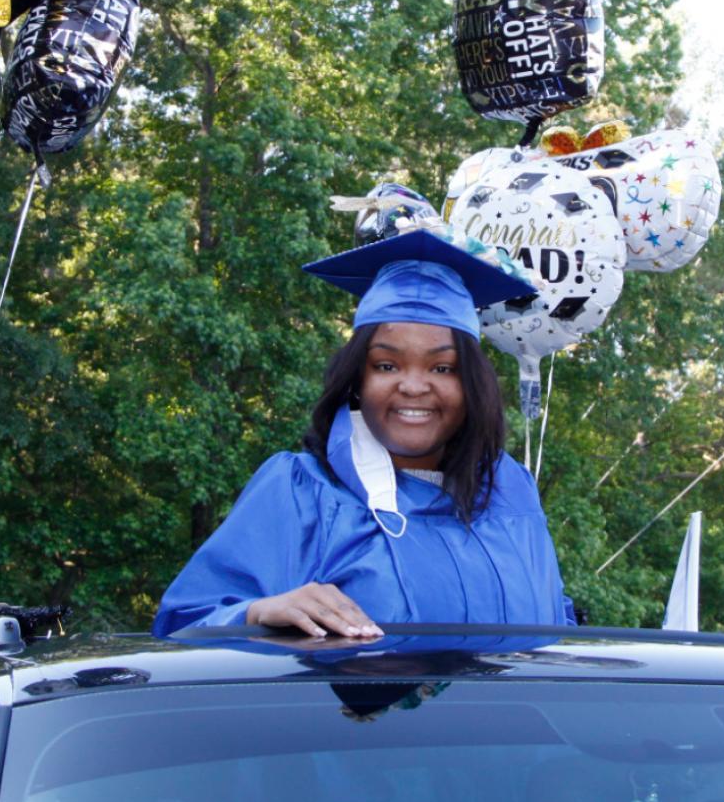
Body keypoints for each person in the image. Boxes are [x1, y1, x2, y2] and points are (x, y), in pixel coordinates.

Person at [153, 228, 574, 638]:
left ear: (472, 385)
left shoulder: (509, 491)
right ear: (357, 379)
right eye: (386, 366)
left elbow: (558, 631)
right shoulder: (301, 492)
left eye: (442, 367)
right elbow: (181, 627)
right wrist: (255, 614)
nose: (412, 386)